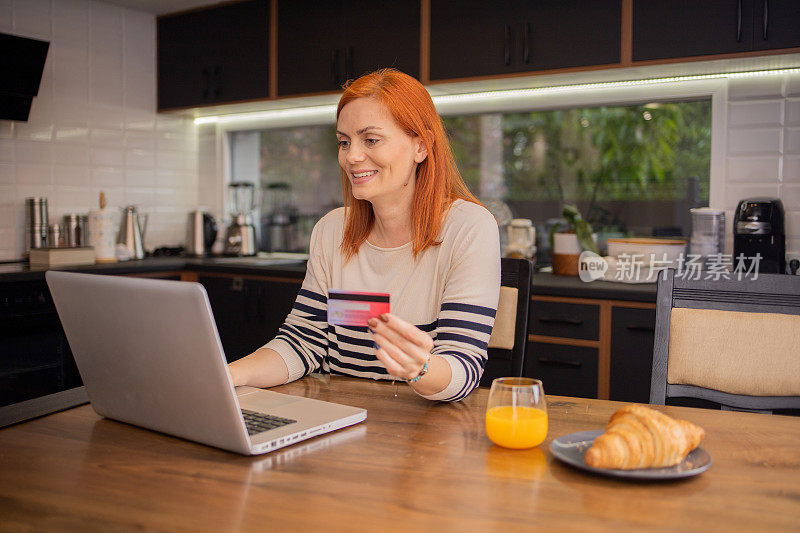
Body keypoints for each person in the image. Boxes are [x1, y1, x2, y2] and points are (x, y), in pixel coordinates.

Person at [229, 68, 500, 401]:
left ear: (422, 146)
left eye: (371, 139)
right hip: (342, 420)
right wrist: (227, 375)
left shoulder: (469, 228)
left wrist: (421, 368)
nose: (352, 156)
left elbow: (463, 367)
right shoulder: (332, 231)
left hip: (426, 431)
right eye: (345, 142)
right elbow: (303, 343)